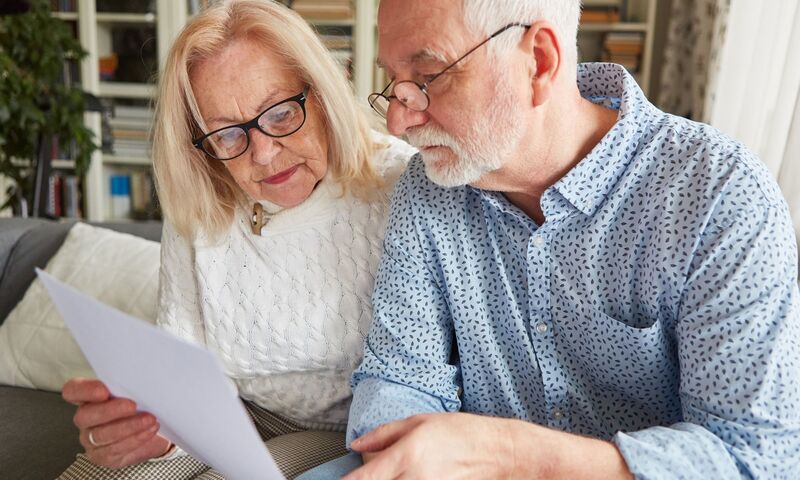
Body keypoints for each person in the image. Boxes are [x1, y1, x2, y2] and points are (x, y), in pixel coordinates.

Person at [298, 0, 800, 479]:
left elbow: (757, 459)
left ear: (538, 61)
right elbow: (400, 376)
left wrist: (513, 455)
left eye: (428, 78)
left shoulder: (719, 196)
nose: (398, 120)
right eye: (395, 82)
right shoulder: (428, 190)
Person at [58, 1, 416, 479]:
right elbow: (182, 362)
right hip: (227, 413)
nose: (264, 154)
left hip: (351, 429)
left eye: (283, 113)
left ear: (323, 93)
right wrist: (148, 429)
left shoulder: (400, 184)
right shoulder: (203, 200)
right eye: (227, 134)